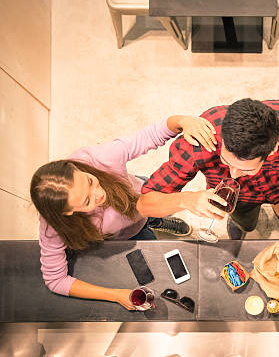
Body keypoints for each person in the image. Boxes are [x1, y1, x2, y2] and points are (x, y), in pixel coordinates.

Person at [31, 115, 215, 309]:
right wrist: (115, 295)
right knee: (153, 260)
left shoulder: (99, 158)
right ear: (67, 213)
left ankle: (157, 221)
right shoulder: (54, 227)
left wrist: (181, 122)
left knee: (155, 211)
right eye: (87, 201)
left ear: (77, 168)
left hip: (139, 196)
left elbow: (148, 136)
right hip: (126, 234)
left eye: (91, 181)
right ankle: (153, 223)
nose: (99, 193)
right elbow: (55, 280)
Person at [137, 98, 279, 240]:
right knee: (245, 224)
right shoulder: (199, 143)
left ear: (273, 149)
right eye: (226, 163)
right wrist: (185, 200)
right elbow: (144, 205)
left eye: (245, 170)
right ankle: (243, 225)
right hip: (240, 201)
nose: (233, 175)